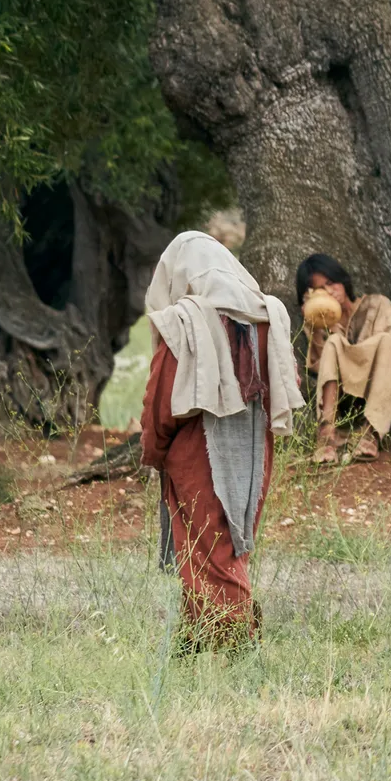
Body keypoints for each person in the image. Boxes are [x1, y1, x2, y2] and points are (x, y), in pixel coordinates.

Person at [138, 230, 301, 652]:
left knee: (210, 549)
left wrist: (155, 451)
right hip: (254, 451)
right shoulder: (270, 316)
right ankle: (195, 644)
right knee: (223, 546)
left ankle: (237, 649)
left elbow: (163, 399)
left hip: (197, 450)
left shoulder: (185, 319)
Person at [293, 253, 391, 466]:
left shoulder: (377, 304)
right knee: (333, 342)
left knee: (385, 341)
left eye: (331, 283)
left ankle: (371, 434)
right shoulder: (321, 322)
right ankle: (326, 433)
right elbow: (318, 366)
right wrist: (318, 323)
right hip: (345, 392)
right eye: (321, 289)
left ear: (343, 281)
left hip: (381, 383)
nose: (330, 291)